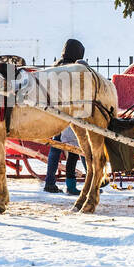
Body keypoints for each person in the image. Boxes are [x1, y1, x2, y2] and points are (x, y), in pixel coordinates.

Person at [44, 38, 84, 195]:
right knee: (73, 150)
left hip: (54, 114)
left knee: (55, 149)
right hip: (69, 113)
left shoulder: (55, 67)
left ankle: (49, 182)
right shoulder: (72, 69)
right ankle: (71, 185)